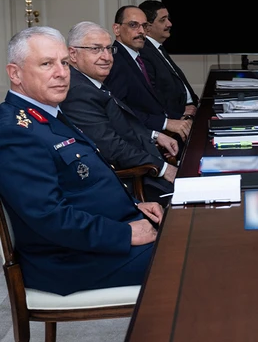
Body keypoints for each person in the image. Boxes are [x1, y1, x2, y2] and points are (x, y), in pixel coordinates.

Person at [0, 26, 161, 296]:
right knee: (190, 258)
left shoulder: (48, 113)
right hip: (72, 261)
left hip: (97, 240)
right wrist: (124, 234)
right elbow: (49, 217)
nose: (61, 73)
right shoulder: (15, 131)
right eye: (46, 64)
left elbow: (84, 183)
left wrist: (133, 206)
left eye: (64, 62)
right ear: (15, 73)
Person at [61, 21, 179, 204]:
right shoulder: (77, 92)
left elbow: (121, 123)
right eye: (96, 49)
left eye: (109, 49)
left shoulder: (90, 81)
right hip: (133, 185)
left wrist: (154, 135)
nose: (106, 57)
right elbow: (112, 148)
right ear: (73, 54)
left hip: (147, 166)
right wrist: (164, 168)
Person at [104, 5, 191, 141]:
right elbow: (120, 111)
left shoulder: (139, 57)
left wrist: (179, 117)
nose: (141, 31)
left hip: (162, 128)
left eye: (144, 26)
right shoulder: (114, 61)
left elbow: (154, 101)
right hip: (142, 138)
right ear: (117, 29)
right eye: (133, 25)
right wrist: (165, 123)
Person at [138, 0, 199, 117]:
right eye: (162, 20)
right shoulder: (144, 52)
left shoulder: (158, 48)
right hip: (178, 117)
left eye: (168, 19)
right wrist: (180, 111)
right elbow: (153, 94)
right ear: (147, 27)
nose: (169, 24)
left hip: (191, 109)